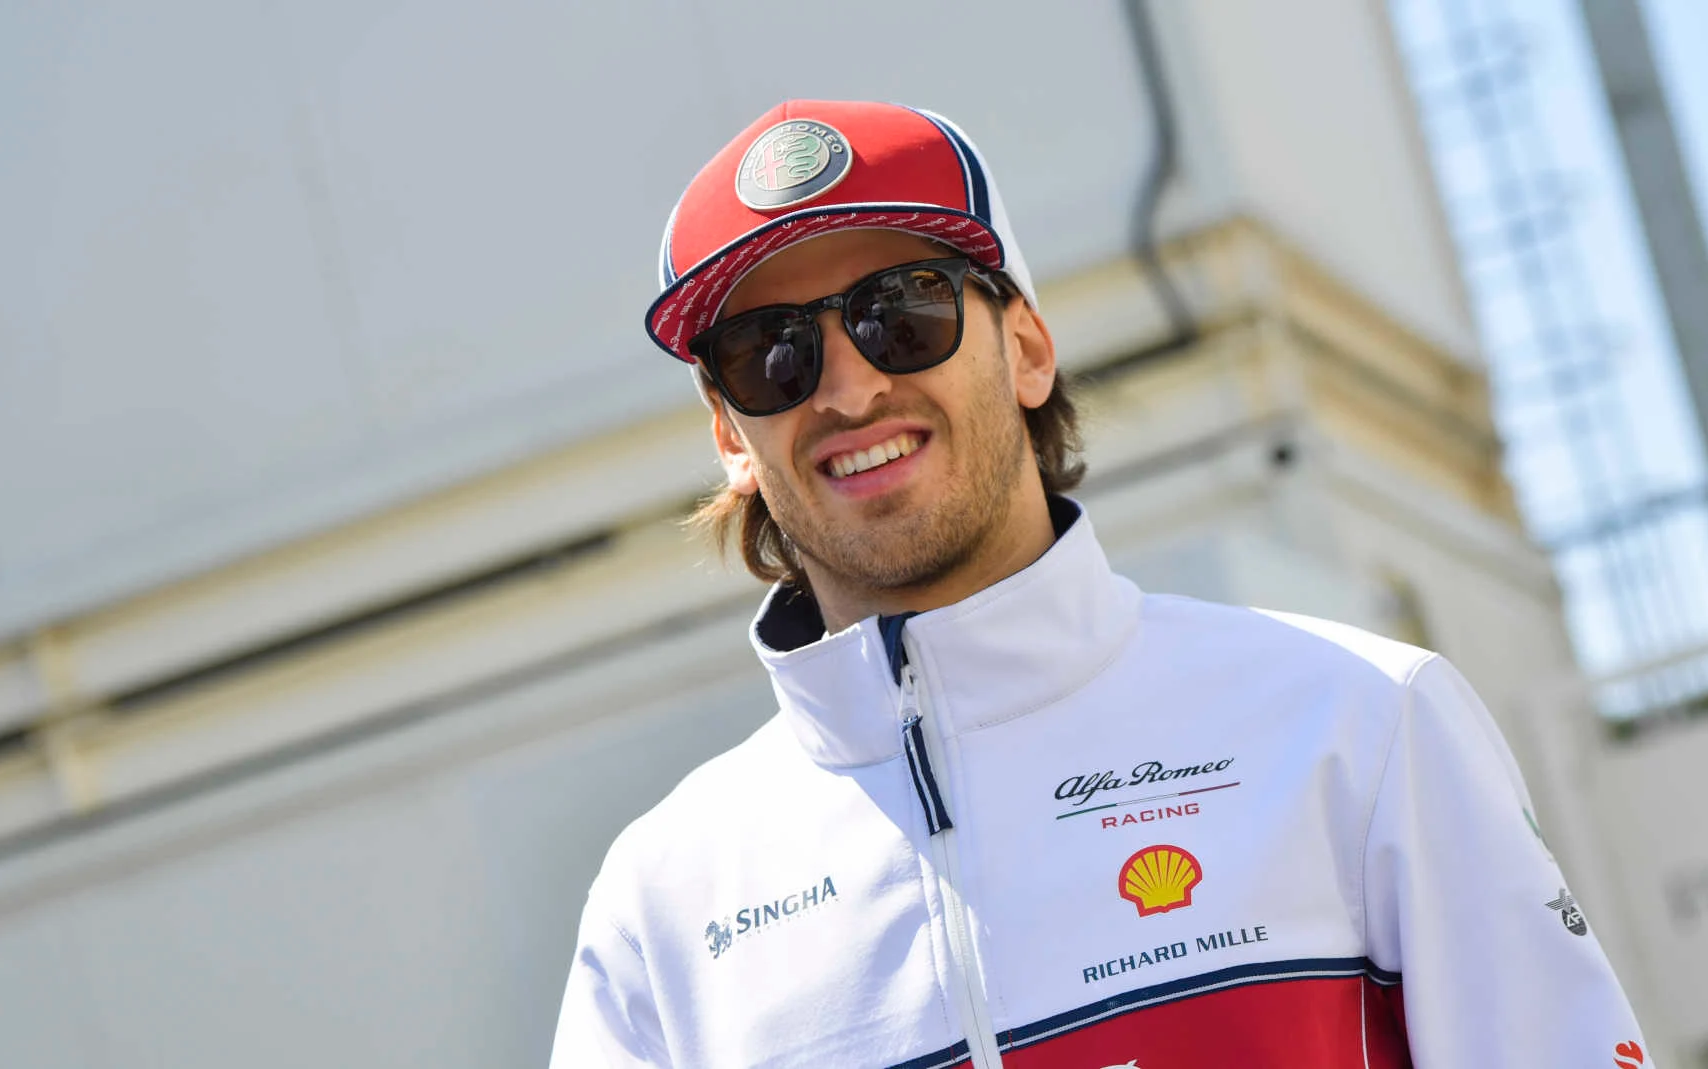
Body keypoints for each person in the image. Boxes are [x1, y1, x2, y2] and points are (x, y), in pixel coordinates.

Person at [551, 99, 1647, 1068]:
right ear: (730, 438)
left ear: (1028, 349)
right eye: (770, 351)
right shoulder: (661, 905)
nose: (848, 387)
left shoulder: (1360, 721)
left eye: (904, 310)